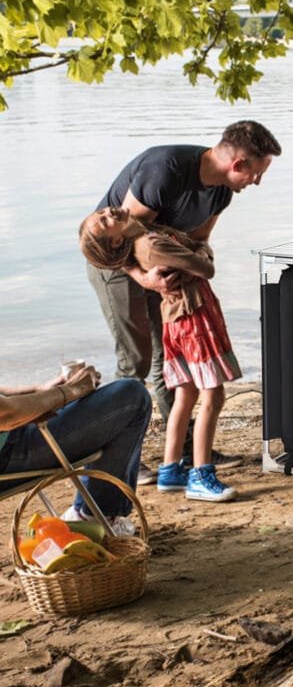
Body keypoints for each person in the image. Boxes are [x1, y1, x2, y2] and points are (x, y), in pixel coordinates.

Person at [86, 121, 281, 484]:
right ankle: (115, 458)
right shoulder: (166, 171)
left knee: (172, 360)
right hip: (118, 266)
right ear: (238, 164)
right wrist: (145, 278)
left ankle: (185, 454)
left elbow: (201, 240)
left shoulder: (222, 191)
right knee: (136, 360)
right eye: (257, 173)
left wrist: (193, 260)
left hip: (166, 269)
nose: (257, 182)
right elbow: (129, 237)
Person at [80, 208, 240, 502]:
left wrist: (194, 249)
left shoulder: (147, 238)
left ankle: (170, 469)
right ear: (116, 242)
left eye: (101, 212)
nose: (107, 211)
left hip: (176, 321)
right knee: (212, 396)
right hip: (195, 319)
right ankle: (201, 474)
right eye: (104, 221)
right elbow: (206, 267)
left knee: (186, 394)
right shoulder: (153, 245)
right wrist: (201, 248)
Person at [0, 366, 151, 536]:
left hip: (11, 435)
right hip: (10, 451)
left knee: (99, 398)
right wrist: (69, 391)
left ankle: (90, 512)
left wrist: (37, 391)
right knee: (132, 397)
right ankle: (94, 516)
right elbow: (7, 414)